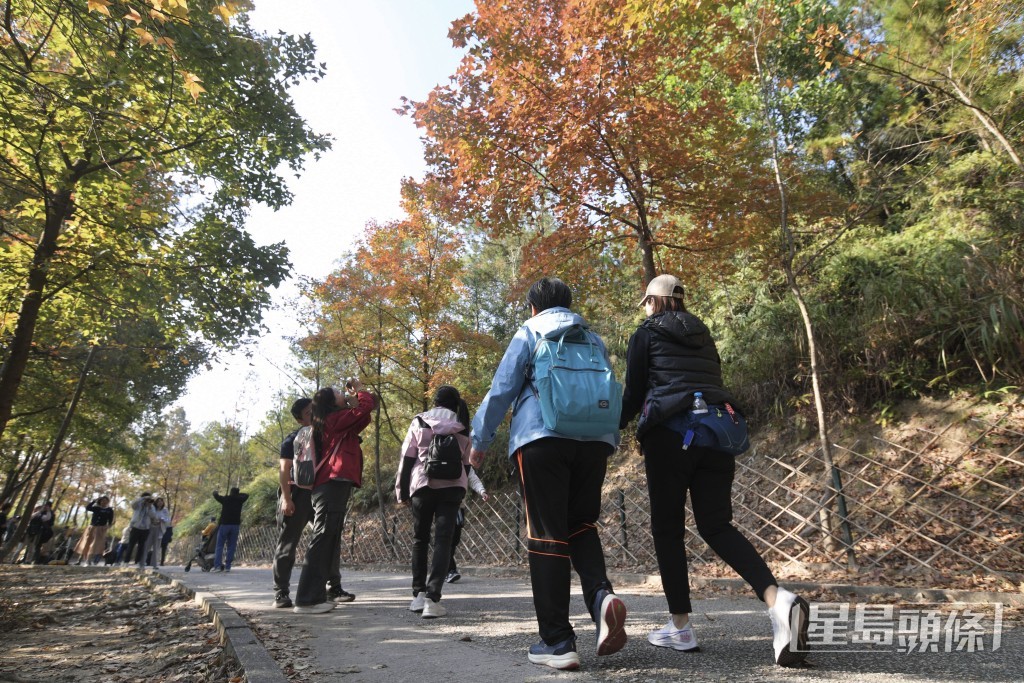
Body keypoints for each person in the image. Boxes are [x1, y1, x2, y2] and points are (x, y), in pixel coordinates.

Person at [620, 274, 810, 667]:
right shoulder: (704, 334)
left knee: (668, 528)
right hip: (716, 434)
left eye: (647, 303)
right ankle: (778, 600)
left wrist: (611, 427)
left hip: (670, 436)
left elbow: (635, 391)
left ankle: (681, 627)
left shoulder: (646, 333)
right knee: (717, 524)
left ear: (654, 302)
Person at [469, 277, 627, 671]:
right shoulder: (592, 337)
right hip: (595, 440)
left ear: (534, 307)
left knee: (546, 533)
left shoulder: (530, 331)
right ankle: (600, 597)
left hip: (542, 438)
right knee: (581, 525)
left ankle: (557, 641)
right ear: (569, 305)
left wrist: (479, 441)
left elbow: (502, 388)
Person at [293, 379, 376, 614]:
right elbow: (364, 409)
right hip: (330, 483)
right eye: (338, 392)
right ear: (331, 402)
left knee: (328, 538)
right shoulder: (333, 420)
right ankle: (307, 599)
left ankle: (316, 596)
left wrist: (354, 400)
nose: (342, 392)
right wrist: (359, 392)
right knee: (322, 538)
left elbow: (364, 417)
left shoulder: (334, 421)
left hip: (333, 485)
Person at [395, 385, 472, 618]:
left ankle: (418, 595)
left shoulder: (419, 421)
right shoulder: (463, 424)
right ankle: (432, 599)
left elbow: (407, 458)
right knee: (443, 541)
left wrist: (402, 492)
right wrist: (462, 489)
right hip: (451, 488)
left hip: (422, 485)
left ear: (435, 401)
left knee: (420, 539)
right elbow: (467, 463)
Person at [272, 397, 315, 608]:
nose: (314, 414)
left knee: (328, 541)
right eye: (309, 413)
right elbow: (283, 470)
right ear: (300, 420)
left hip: (319, 494)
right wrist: (287, 499)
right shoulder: (292, 440)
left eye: (314, 409)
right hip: (297, 494)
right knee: (288, 543)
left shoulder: (326, 434)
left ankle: (332, 585)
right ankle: (281, 592)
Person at [445, 466, 488, 584]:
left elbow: (473, 478)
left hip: (458, 506)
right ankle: (449, 570)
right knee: (446, 539)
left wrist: (482, 491)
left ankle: (444, 568)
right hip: (442, 506)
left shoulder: (464, 463)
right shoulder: (439, 457)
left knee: (454, 540)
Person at [212, 487, 249, 572]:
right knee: (231, 546)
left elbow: (215, 495)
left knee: (219, 545)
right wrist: (237, 495)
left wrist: (216, 492)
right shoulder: (240, 500)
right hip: (235, 525)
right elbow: (247, 495)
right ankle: (227, 567)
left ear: (230, 492)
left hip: (224, 524)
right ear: (237, 493)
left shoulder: (225, 499)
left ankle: (217, 566)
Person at [76, 496, 114, 566]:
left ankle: (88, 560)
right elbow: (88, 508)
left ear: (108, 502)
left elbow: (110, 520)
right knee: (86, 543)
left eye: (105, 500)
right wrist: (94, 501)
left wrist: (108, 526)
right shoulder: (96, 508)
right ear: (100, 501)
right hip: (92, 527)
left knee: (94, 545)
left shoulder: (109, 510)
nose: (104, 502)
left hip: (100, 529)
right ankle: (81, 560)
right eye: (102, 500)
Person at [144, 497, 171, 567]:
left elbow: (168, 519)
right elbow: (149, 516)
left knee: (156, 548)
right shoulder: (152, 508)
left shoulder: (165, 510)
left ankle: (154, 564)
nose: (160, 503)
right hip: (151, 529)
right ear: (156, 502)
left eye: (161, 501)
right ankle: (142, 561)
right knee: (147, 546)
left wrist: (162, 520)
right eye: (158, 501)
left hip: (159, 530)